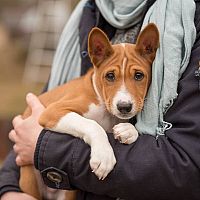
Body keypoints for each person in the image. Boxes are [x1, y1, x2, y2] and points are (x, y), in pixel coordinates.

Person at [1, 0, 200, 199]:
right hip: (34, 171)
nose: (125, 98)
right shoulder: (89, 11)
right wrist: (8, 188)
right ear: (96, 53)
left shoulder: (191, 18)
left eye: (138, 76)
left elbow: (186, 164)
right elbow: (32, 128)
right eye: (111, 76)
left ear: (151, 50)